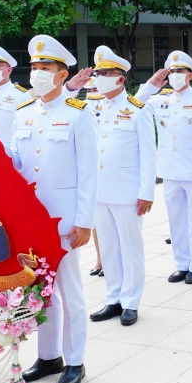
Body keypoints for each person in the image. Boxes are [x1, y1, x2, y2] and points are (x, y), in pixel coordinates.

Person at [12, 35, 97, 383]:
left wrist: (84, 221)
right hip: (30, 222)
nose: (37, 73)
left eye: (45, 68)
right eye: (34, 67)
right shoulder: (24, 113)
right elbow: (16, 165)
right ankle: (49, 356)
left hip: (64, 222)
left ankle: (74, 360)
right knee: (39, 291)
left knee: (69, 290)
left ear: (62, 75)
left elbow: (89, 171)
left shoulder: (79, 113)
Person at [83, 46, 156, 327]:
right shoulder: (93, 108)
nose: (99, 78)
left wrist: (146, 192)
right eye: (98, 73)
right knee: (110, 249)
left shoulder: (137, 110)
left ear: (121, 79)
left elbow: (148, 154)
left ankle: (131, 301)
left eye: (106, 74)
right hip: (100, 193)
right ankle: (113, 298)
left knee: (130, 248)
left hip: (128, 193)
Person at [135, 51, 192, 285]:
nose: (175, 76)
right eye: (172, 72)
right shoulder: (161, 99)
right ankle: (181, 264)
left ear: (190, 74)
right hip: (169, 171)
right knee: (175, 220)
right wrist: (151, 85)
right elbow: (135, 104)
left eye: (179, 71)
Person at [84, 77, 105, 277]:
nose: (92, 93)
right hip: (93, 172)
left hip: (110, 173)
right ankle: (100, 259)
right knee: (96, 221)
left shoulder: (110, 107)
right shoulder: (85, 109)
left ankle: (108, 259)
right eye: (89, 89)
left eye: (95, 89)